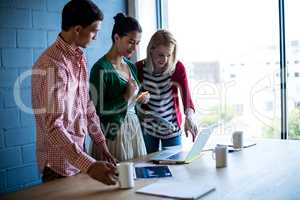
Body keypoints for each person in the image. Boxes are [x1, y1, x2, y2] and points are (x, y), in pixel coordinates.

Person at [31, 0, 117, 184]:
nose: (95, 37)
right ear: (78, 29)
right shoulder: (51, 66)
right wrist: (90, 165)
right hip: (58, 166)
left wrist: (100, 142)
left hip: (79, 159)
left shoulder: (79, 58)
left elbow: (86, 104)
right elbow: (53, 126)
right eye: (94, 31)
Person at [89, 13, 148, 161]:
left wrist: (140, 97)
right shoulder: (100, 68)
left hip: (134, 129)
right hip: (113, 134)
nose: (134, 48)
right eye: (131, 42)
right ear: (116, 38)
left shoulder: (130, 66)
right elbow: (97, 111)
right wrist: (125, 97)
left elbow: (133, 95)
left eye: (137, 43)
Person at [136, 29, 198, 153]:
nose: (165, 60)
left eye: (169, 55)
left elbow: (187, 97)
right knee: (148, 164)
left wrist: (189, 117)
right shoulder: (138, 68)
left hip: (172, 127)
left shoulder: (177, 67)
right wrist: (139, 98)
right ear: (151, 50)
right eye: (160, 55)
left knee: (174, 164)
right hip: (148, 128)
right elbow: (133, 98)